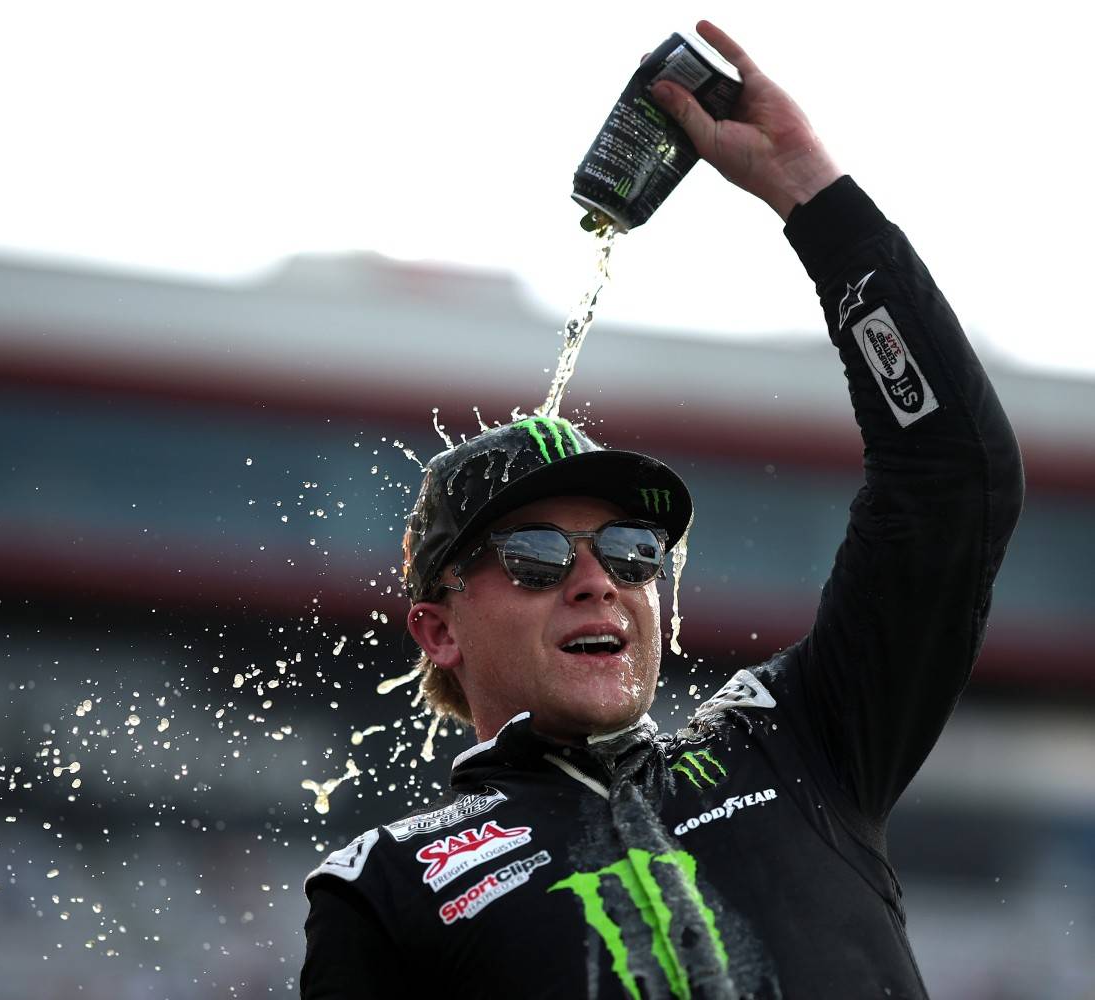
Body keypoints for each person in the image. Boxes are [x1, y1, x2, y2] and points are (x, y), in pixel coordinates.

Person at [300, 20, 1023, 1000]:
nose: (597, 580)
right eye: (538, 555)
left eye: (633, 550)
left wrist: (808, 190)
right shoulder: (387, 889)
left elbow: (954, 478)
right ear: (438, 628)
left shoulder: (798, 740)